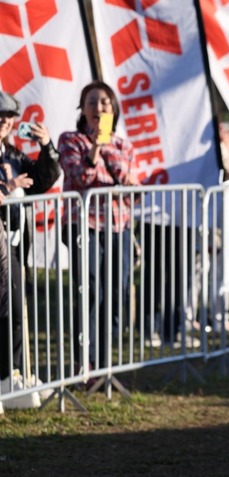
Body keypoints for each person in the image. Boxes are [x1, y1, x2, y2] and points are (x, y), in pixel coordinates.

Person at [58, 81, 140, 376]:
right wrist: (95, 148)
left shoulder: (125, 146)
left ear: (114, 109)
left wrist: (132, 184)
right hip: (85, 225)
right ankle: (86, 361)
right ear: (82, 109)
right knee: (91, 290)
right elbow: (79, 177)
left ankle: (105, 361)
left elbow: (134, 192)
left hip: (119, 226)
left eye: (105, 102)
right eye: (92, 102)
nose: (99, 107)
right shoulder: (70, 140)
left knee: (116, 292)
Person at [0, 91, 62, 257]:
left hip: (14, 243)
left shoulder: (13, 155)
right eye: (0, 113)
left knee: (18, 282)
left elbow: (41, 180)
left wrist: (47, 146)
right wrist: (10, 186)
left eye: (10, 115)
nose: (5, 120)